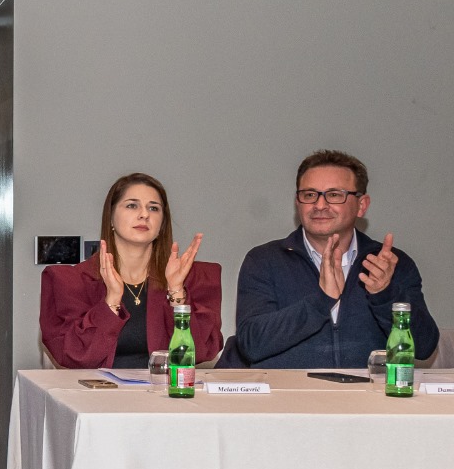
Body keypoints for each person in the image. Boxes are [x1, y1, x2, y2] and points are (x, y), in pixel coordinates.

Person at [234, 149, 438, 368]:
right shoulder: (264, 260)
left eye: (334, 195)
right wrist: (321, 302)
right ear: (297, 203)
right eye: (309, 195)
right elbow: (251, 344)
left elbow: (424, 347)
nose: (320, 205)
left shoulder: (389, 263)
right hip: (288, 389)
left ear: (361, 205)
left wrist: (385, 295)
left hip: (370, 389)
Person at [40, 172, 222, 369]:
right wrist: (111, 302)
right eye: (132, 205)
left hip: (166, 387)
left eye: (153, 208)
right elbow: (73, 355)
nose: (144, 214)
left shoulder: (194, 278)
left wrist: (177, 292)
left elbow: (201, 351)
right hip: (98, 388)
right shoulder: (71, 282)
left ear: (162, 225)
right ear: (110, 218)